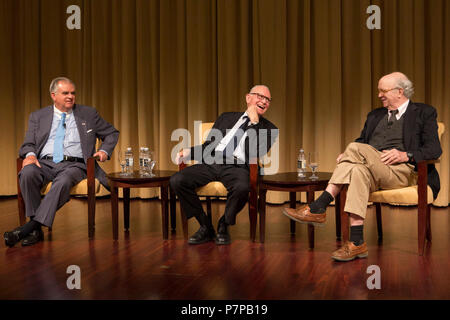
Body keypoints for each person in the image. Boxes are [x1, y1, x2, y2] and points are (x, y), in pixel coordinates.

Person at [283, 72, 442, 261]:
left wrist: (405, 154)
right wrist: (349, 155)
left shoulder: (424, 112)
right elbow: (362, 142)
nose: (379, 95)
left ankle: (320, 205)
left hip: (402, 171)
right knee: (357, 169)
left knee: (353, 149)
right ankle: (357, 242)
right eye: (378, 91)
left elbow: (434, 149)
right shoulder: (375, 115)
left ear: (400, 92)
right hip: (371, 170)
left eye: (383, 91)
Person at [4, 77, 119, 247]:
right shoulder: (38, 116)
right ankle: (35, 231)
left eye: (73, 93)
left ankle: (29, 228)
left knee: (63, 181)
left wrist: (103, 151)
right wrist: (29, 155)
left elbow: (111, 133)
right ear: (53, 95)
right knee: (27, 173)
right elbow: (28, 143)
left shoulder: (88, 113)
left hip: (75, 165)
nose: (70, 96)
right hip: (45, 163)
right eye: (65, 93)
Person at [170, 85, 278, 245]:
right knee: (177, 180)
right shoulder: (226, 117)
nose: (264, 101)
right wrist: (189, 152)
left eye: (267, 99)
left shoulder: (269, 129)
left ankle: (224, 224)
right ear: (248, 98)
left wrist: (255, 124)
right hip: (211, 161)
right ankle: (205, 226)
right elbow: (208, 146)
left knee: (242, 187)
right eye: (260, 97)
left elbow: (253, 153)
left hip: (238, 166)